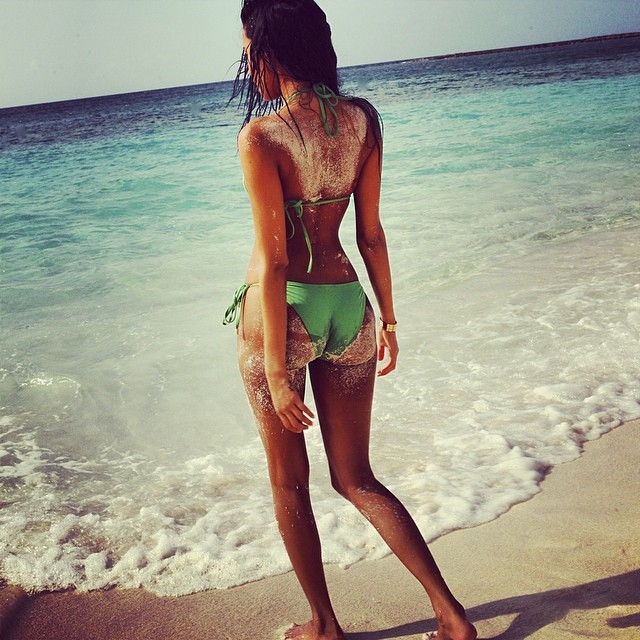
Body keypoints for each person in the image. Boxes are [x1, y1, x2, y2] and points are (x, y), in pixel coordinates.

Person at [224, 2, 477, 639]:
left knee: (290, 484)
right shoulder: (363, 120)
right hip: (350, 307)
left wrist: (276, 372)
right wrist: (388, 320)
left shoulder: (261, 137)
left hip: (285, 317)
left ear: (267, 50)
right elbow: (371, 235)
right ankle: (451, 615)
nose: (247, 62)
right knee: (357, 478)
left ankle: (325, 626)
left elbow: (274, 263)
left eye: (248, 49)